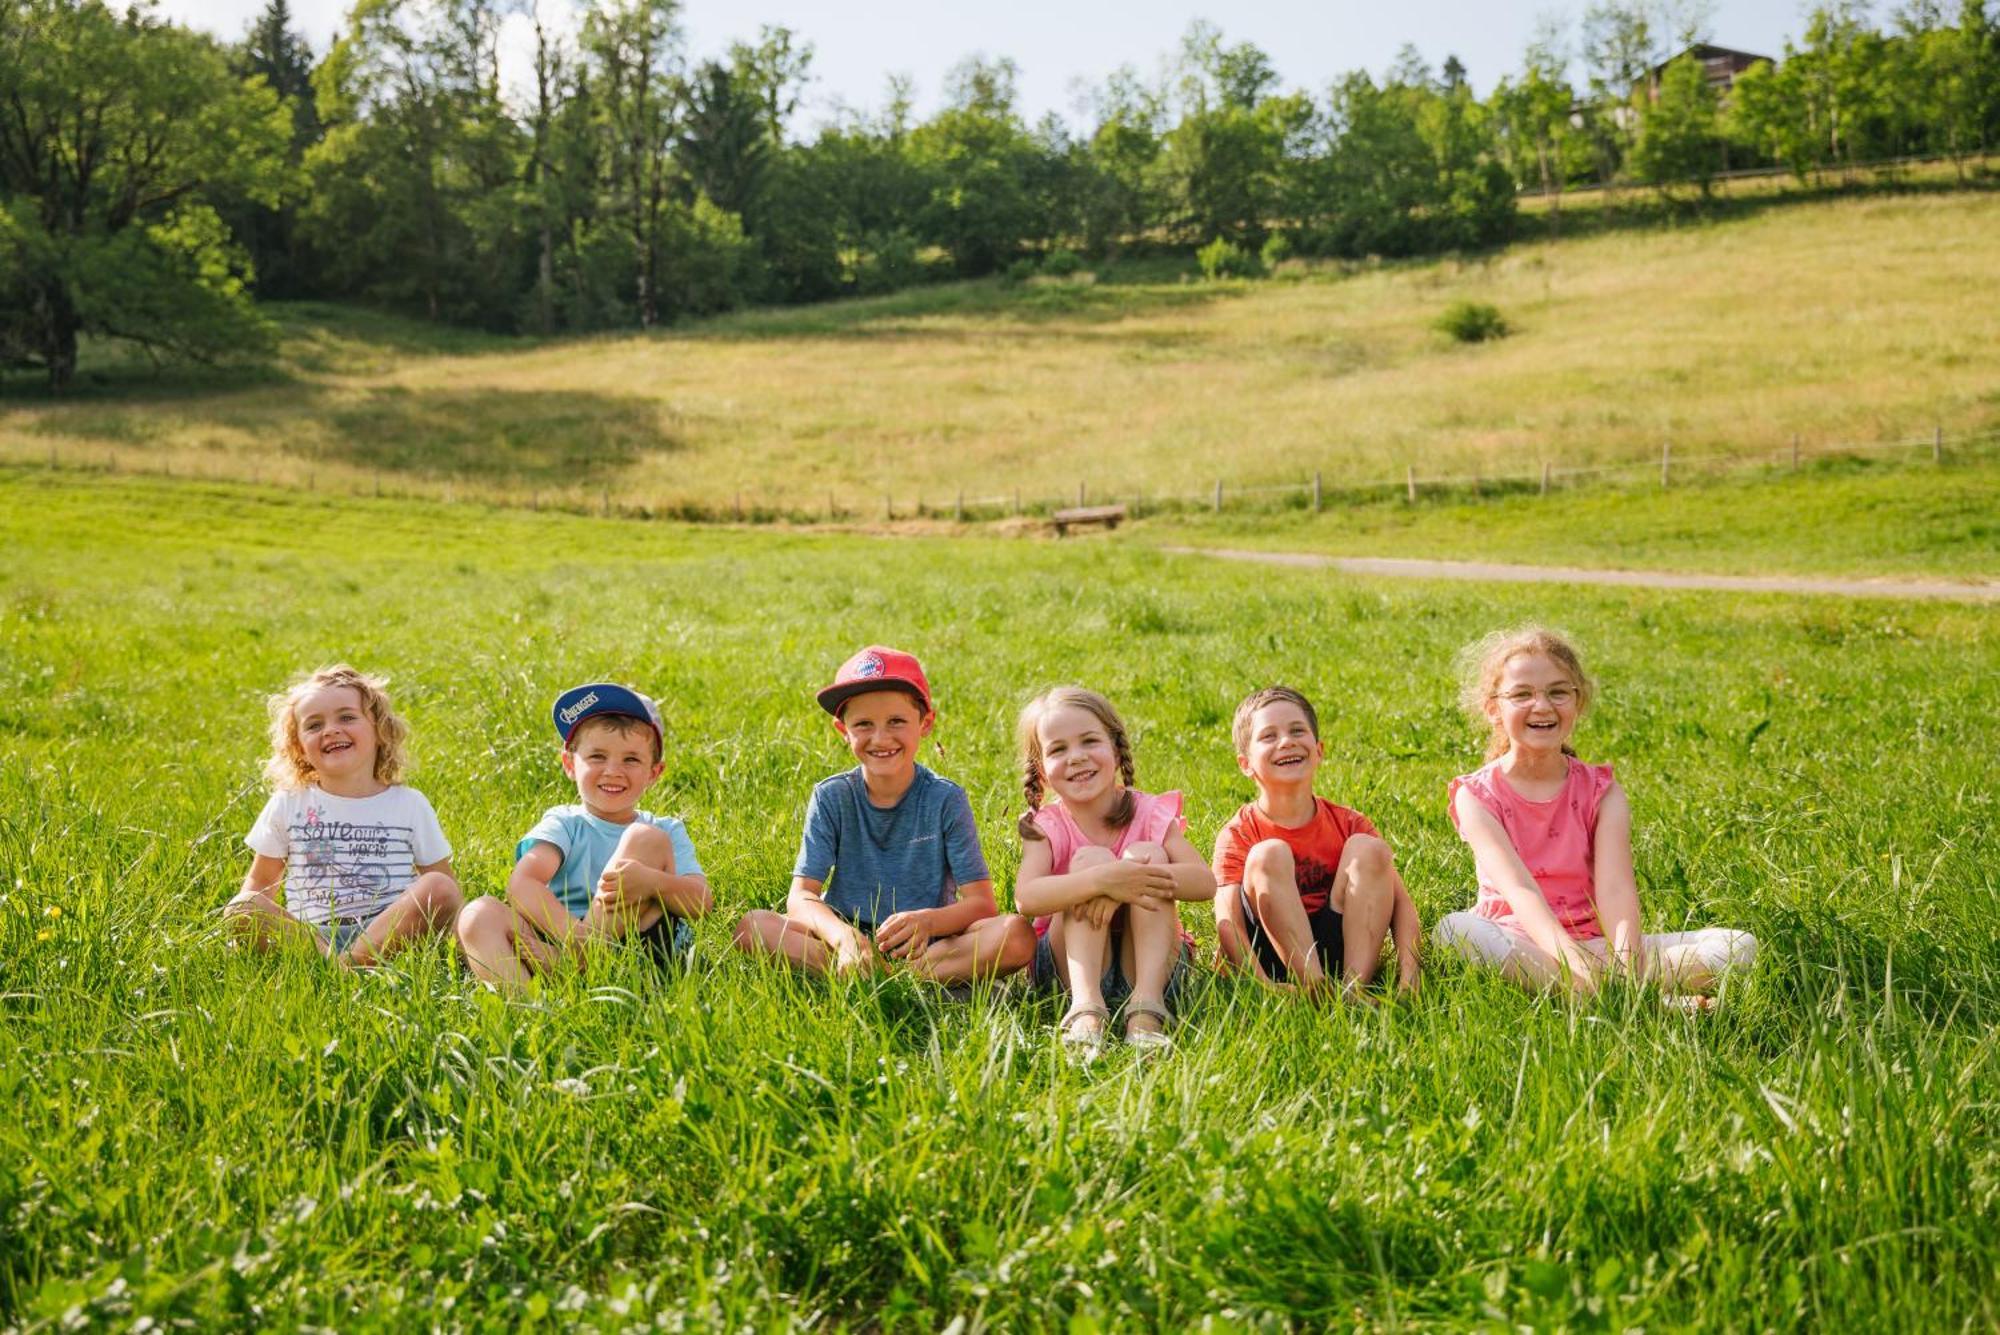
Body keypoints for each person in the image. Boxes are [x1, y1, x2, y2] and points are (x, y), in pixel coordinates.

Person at [1435, 627, 1758, 1005]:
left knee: (1739, 947)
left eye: (1558, 692)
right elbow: (1520, 891)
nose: (1542, 706)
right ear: (1493, 709)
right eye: (1522, 694)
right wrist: (1573, 962)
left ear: (1579, 701)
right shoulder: (1475, 796)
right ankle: (1646, 1003)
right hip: (1519, 942)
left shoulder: (1602, 792)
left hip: (1598, 947)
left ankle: (1596, 994)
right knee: (1454, 931)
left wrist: (1623, 964)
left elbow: (1616, 889)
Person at [731, 646, 1035, 983]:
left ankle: (900, 977)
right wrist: (844, 937)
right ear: (842, 731)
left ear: (925, 723)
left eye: (896, 721)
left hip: (927, 942)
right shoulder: (832, 796)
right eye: (863, 724)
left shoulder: (945, 798)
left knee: (1017, 934)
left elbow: (981, 905)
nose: (880, 738)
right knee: (752, 927)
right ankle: (859, 968)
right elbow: (801, 896)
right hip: (843, 937)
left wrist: (928, 922)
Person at [458, 683, 711, 988]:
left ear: (654, 773)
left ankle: (582, 961)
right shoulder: (564, 822)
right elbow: (522, 884)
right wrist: (575, 936)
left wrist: (652, 882)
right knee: (477, 914)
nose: (613, 770)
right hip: (558, 940)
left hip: (641, 951)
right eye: (597, 757)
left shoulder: (665, 830)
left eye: (631, 759)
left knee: (645, 837)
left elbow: (700, 902)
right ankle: (528, 1009)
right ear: (569, 764)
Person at [1012, 687, 1215, 1056]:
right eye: (1058, 749)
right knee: (1091, 860)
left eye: (1089, 741)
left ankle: (1147, 1011)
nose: (1076, 757)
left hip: (1152, 966)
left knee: (1147, 854)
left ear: (1116, 750)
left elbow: (1205, 882)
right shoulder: (1046, 825)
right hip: (1068, 972)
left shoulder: (1149, 813)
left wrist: (1133, 877)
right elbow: (1027, 898)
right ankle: (1086, 1010)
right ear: (1041, 770)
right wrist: (1101, 880)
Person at [224, 664, 461, 965]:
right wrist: (249, 924)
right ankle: (340, 967)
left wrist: (460, 941)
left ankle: (346, 966)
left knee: (440, 887)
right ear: (299, 748)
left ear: (380, 730)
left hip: (388, 933)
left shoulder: (409, 804)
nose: (331, 729)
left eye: (347, 717)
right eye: (314, 725)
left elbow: (444, 886)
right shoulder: (289, 803)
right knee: (242, 905)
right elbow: (260, 882)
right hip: (310, 939)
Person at [1212, 686, 1420, 1000]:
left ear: (1319, 750)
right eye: (1269, 736)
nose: (1286, 741)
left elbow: (1401, 903)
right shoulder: (1240, 832)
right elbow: (1227, 921)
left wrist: (1410, 973)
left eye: (1297, 730)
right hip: (1272, 957)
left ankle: (1353, 990)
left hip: (1340, 946)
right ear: (1245, 764)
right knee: (1269, 854)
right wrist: (1262, 986)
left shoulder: (1349, 823)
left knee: (1371, 849)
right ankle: (1314, 988)